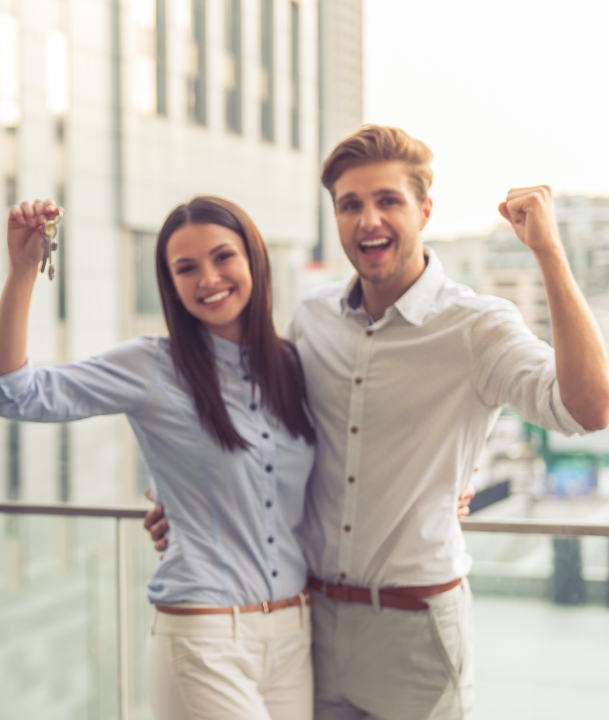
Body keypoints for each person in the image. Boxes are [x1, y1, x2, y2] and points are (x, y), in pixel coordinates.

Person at [145, 125, 609, 719]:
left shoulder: (478, 326)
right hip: (310, 624)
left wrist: (549, 251)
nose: (369, 220)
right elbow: (261, 426)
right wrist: (186, 496)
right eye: (350, 205)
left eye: (388, 200)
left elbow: (587, 407)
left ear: (425, 210)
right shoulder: (312, 316)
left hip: (416, 632)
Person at [0, 196, 319, 719]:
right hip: (204, 636)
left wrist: (460, 481)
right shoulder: (151, 365)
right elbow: (9, 392)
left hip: (294, 634)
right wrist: (24, 270)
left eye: (222, 257)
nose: (208, 278)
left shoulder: (294, 366)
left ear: (254, 259)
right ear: (171, 285)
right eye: (186, 268)